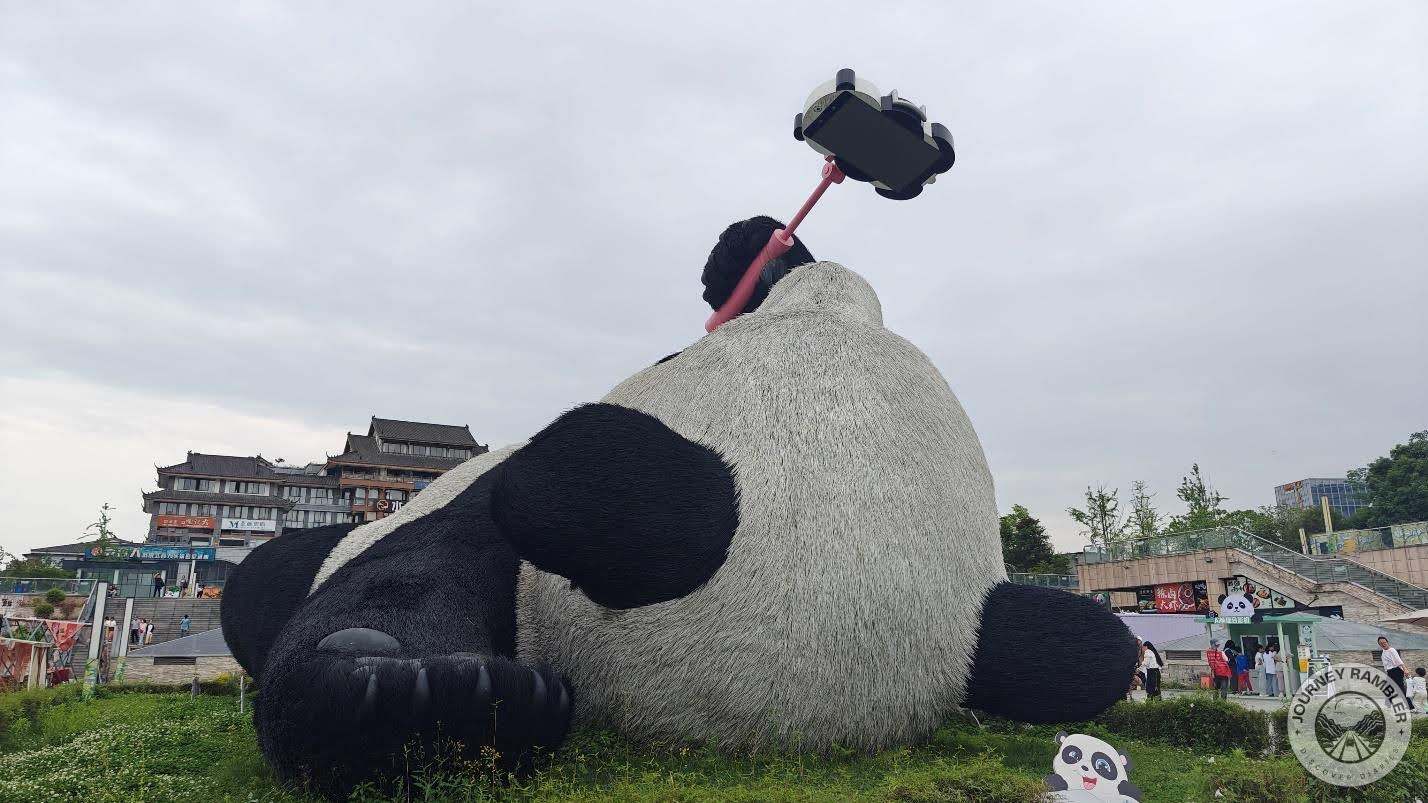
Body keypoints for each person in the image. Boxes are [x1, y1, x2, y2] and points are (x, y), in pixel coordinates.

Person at [1379, 636, 1415, 711]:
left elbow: (1398, 660)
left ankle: (1410, 706)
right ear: (1379, 644)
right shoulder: (1383, 652)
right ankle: (1388, 706)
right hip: (1390, 672)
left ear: (1387, 642)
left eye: (1384, 642)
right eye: (1381, 643)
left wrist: (1405, 669)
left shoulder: (1392, 650)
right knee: (1388, 689)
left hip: (1396, 671)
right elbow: (1386, 665)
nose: (1383, 644)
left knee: (1400, 689)